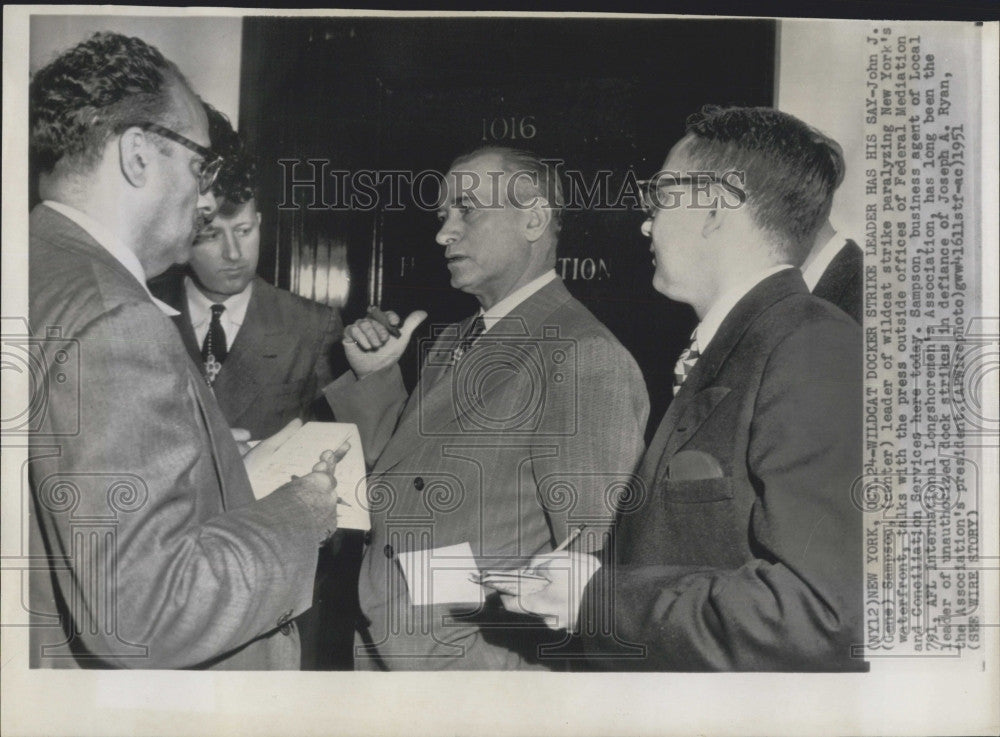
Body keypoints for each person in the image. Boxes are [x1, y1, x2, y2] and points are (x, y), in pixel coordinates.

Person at [28, 32, 345, 669]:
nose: (205, 200)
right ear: (139, 155)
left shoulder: (33, 263)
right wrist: (301, 512)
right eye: (201, 167)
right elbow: (144, 615)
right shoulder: (116, 315)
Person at [509, 107, 866, 671]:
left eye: (661, 195)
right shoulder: (745, 343)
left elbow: (818, 614)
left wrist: (595, 599)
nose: (647, 223)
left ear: (716, 207)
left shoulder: (811, 344)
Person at [326, 147, 649, 669]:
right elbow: (410, 477)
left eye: (467, 210)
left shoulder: (584, 356)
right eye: (442, 216)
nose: (443, 233)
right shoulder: (456, 337)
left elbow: (585, 570)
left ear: (534, 218)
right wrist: (376, 376)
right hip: (392, 651)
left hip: (477, 676)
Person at [151, 104, 343, 440]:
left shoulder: (312, 326)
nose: (234, 253)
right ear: (185, 232)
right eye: (211, 235)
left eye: (244, 231)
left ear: (260, 224)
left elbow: (343, 444)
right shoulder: (144, 310)